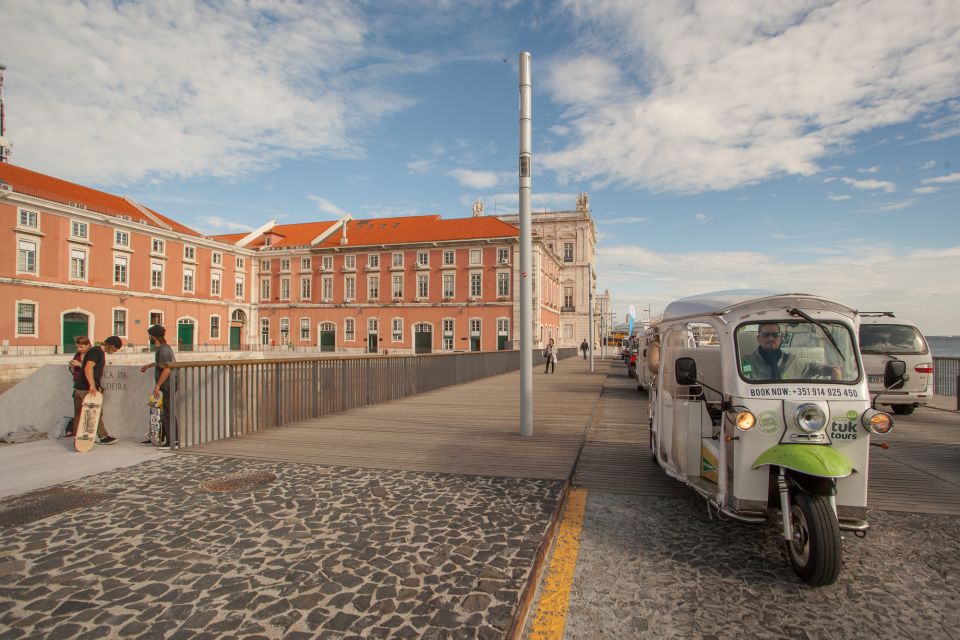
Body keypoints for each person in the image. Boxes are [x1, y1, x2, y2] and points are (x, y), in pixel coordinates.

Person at [740, 323, 841, 381]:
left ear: (781, 338)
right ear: (759, 338)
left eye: (775, 335)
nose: (770, 338)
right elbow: (743, 382)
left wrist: (835, 372)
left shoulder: (793, 361)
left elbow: (818, 368)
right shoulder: (747, 362)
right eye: (766, 335)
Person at [74, 336, 122, 445]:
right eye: (116, 349)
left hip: (84, 386)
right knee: (92, 412)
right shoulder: (97, 351)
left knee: (93, 412)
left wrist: (97, 385)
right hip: (85, 387)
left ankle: (97, 436)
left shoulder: (97, 351)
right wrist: (92, 385)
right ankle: (100, 437)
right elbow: (88, 368)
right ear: (112, 345)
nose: (115, 351)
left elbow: (94, 371)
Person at [140, 324, 176, 446]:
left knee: (167, 412)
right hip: (166, 384)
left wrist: (158, 386)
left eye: (150, 335)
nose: (149, 338)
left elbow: (167, 369)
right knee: (161, 411)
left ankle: (173, 440)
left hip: (167, 384)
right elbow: (160, 364)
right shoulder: (163, 349)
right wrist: (148, 366)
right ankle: (160, 437)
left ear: (154, 337)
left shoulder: (164, 350)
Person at [66, 336, 91, 437]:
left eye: (81, 347)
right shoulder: (77, 355)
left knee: (87, 412)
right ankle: (75, 434)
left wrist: (80, 364)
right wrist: (72, 367)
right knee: (77, 410)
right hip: (77, 385)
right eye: (77, 347)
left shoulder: (91, 355)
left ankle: (85, 434)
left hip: (87, 386)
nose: (78, 349)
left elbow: (91, 370)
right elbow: (73, 372)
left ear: (88, 345)